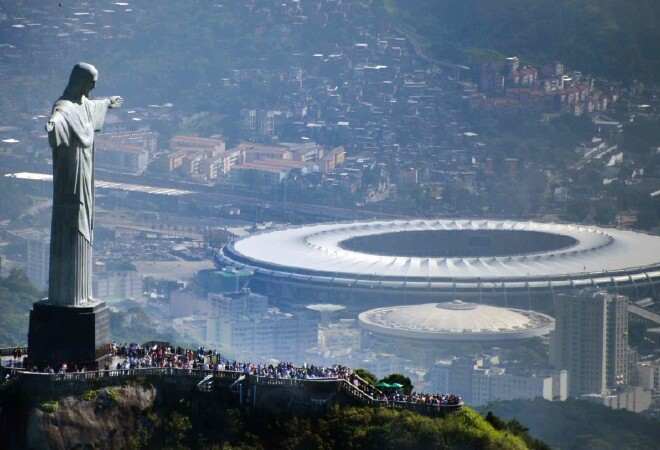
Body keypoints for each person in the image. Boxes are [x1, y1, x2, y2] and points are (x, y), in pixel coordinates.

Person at [46, 63, 122, 305]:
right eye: (91, 82)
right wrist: (53, 125)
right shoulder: (65, 107)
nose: (93, 87)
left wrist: (108, 102)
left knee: (85, 223)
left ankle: (81, 295)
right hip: (72, 177)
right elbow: (58, 118)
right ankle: (69, 297)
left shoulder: (83, 105)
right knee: (72, 222)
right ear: (79, 81)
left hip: (86, 173)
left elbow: (93, 106)